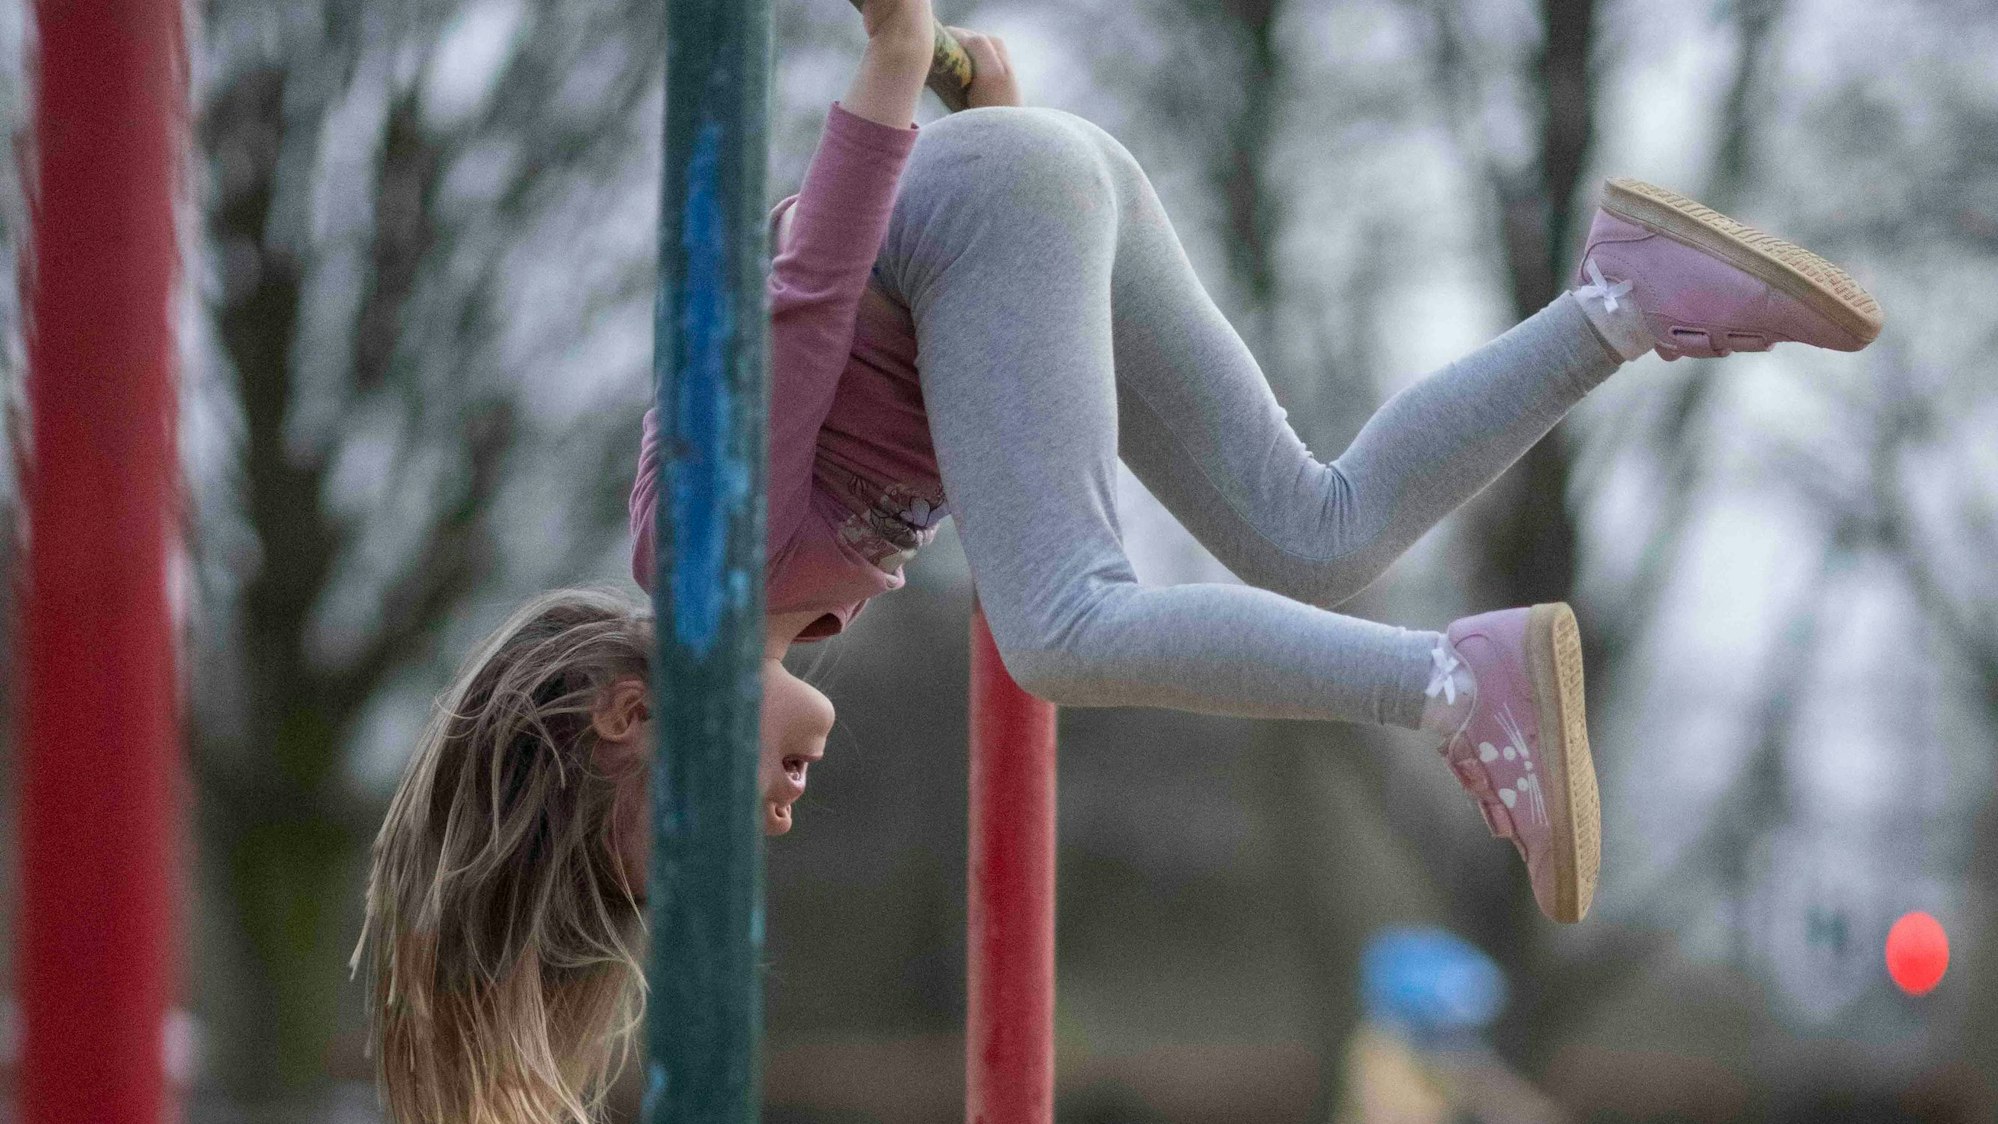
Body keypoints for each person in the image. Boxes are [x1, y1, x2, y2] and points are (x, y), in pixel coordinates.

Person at [351, 0, 1884, 1118]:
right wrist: (972, 131)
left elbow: (800, 303)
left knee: (1064, 629)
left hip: (973, 210)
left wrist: (887, 81)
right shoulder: (804, 605)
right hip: (1019, 192)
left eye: (687, 827)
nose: (762, 827)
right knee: (1316, 524)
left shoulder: (698, 560)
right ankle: (1626, 297)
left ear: (628, 718)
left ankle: (1450, 682)